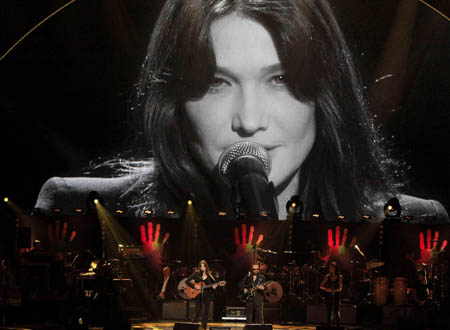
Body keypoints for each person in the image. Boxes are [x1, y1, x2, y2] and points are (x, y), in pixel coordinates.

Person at [34, 0, 449, 222]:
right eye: (216, 84)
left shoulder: (410, 228)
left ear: (326, 94)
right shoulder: (75, 214)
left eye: (280, 80)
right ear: (173, 99)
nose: (249, 121)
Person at [185, 260, 218, 330]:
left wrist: (214, 287)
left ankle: (203, 328)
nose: (202, 268)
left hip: (207, 294)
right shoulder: (196, 273)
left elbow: (214, 284)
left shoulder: (209, 275)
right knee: (197, 310)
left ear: (206, 267)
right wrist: (194, 286)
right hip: (199, 294)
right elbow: (187, 281)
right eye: (201, 266)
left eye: (204, 266)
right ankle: (194, 326)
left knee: (206, 312)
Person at [319, 261, 343, 327]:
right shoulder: (327, 276)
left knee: (336, 311)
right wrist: (326, 289)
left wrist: (334, 290)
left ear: (335, 268)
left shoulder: (340, 277)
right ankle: (329, 326)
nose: (330, 269)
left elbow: (340, 288)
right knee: (329, 311)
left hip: (336, 295)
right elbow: (321, 286)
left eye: (331, 267)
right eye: (329, 267)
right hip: (329, 295)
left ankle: (338, 326)